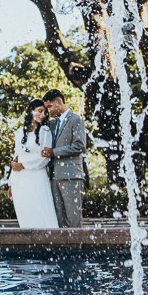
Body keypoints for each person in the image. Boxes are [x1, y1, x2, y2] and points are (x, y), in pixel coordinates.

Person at [7, 98, 59, 228]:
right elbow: (16, 157)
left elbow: (45, 158)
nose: (43, 115)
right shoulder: (19, 132)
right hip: (19, 179)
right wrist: (10, 183)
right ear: (31, 111)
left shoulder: (45, 131)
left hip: (36, 176)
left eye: (45, 112)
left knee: (42, 211)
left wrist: (24, 165)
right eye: (40, 111)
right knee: (24, 212)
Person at [40, 89, 85, 228]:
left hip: (71, 175)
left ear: (59, 101)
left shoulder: (76, 119)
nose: (48, 111)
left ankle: (77, 248)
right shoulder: (52, 124)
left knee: (73, 218)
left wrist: (54, 152)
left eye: (49, 106)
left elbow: (79, 146)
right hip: (54, 177)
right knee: (59, 219)